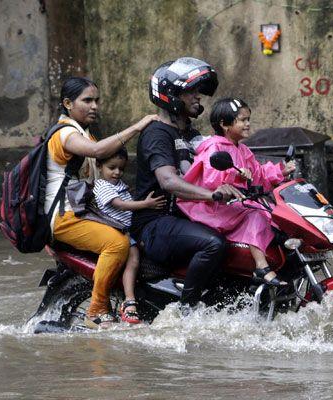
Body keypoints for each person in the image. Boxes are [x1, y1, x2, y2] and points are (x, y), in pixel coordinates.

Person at [46, 76, 159, 328]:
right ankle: (96, 310)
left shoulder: (86, 135)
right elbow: (99, 153)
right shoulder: (64, 134)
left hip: (83, 214)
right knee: (117, 244)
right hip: (65, 216)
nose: (94, 106)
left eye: (96, 100)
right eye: (87, 100)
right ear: (67, 103)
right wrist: (137, 127)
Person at [131, 57, 243, 311]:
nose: (198, 97)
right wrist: (212, 195)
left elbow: (224, 160)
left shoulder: (191, 134)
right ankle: (188, 311)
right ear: (170, 94)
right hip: (154, 224)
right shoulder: (157, 133)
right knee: (213, 243)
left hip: (183, 219)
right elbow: (168, 181)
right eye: (190, 91)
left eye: (198, 91)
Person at [177, 98, 296, 286]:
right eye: (242, 120)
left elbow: (258, 176)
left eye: (248, 119)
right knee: (256, 214)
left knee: (276, 213)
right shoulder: (214, 147)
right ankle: (261, 267)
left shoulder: (243, 149)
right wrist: (236, 174)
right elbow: (212, 181)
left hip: (236, 203)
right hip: (212, 206)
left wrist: (281, 170)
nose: (248, 124)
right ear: (224, 124)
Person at [92, 148, 165, 324]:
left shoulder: (119, 185)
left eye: (121, 169)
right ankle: (129, 301)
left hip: (129, 230)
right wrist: (146, 204)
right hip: (118, 231)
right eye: (112, 167)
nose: (117, 172)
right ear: (99, 166)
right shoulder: (102, 185)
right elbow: (121, 205)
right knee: (133, 260)